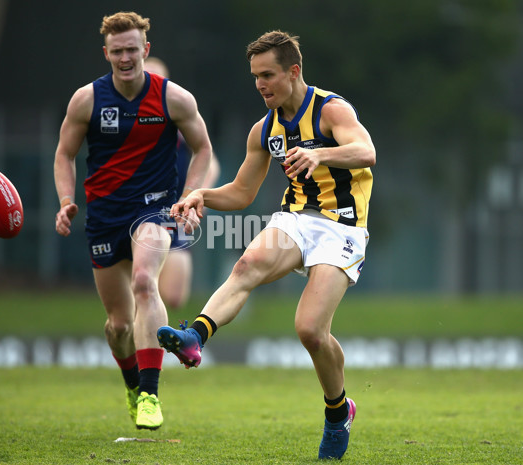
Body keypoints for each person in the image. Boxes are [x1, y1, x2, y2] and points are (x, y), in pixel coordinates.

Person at [157, 30, 375, 460]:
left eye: (268, 75)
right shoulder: (265, 130)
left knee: (310, 330)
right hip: (296, 219)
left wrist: (321, 155)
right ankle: (194, 335)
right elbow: (241, 193)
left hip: (344, 227)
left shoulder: (332, 109)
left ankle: (338, 411)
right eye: (256, 76)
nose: (260, 85)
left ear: (293, 72)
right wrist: (202, 196)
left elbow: (366, 151)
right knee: (247, 264)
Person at [54, 11, 212, 430]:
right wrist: (66, 200)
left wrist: (190, 197)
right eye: (117, 51)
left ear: (146, 49)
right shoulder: (86, 100)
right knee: (118, 325)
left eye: (132, 49)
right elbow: (64, 154)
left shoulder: (173, 98)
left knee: (146, 281)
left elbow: (203, 149)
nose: (125, 58)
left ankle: (149, 395)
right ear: (106, 53)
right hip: (104, 218)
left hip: (153, 211)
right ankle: (131, 384)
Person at [143, 57, 221, 310]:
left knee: (174, 297)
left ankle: (149, 333)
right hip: (133, 211)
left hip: (172, 214)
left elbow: (212, 163)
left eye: (157, 80)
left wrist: (196, 198)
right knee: (141, 286)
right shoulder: (120, 121)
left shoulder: (177, 120)